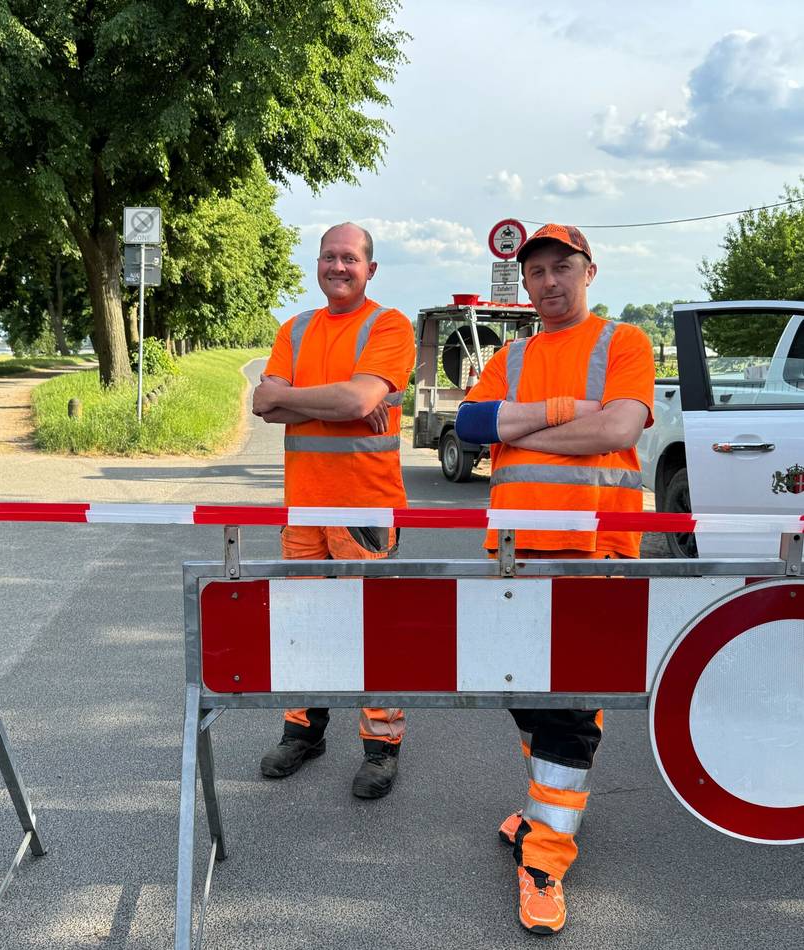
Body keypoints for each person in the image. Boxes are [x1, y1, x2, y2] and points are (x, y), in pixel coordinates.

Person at [455, 223, 654, 935]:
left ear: (589, 271)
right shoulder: (512, 354)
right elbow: (474, 426)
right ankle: (547, 808)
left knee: (568, 708)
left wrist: (522, 428)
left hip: (594, 555)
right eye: (535, 271)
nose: (548, 281)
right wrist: (569, 412)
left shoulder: (621, 343)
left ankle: (543, 859)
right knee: (526, 697)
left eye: (561, 266)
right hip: (513, 554)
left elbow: (621, 430)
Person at [251, 222, 416, 799]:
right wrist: (342, 401)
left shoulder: (388, 325)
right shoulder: (295, 329)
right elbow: (262, 404)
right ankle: (304, 731)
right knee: (300, 624)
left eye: (350, 258)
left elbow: (354, 398)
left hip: (366, 508)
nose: (338, 267)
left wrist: (318, 399)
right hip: (303, 509)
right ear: (317, 265)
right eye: (328, 257)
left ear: (370, 269)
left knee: (374, 630)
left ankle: (380, 747)